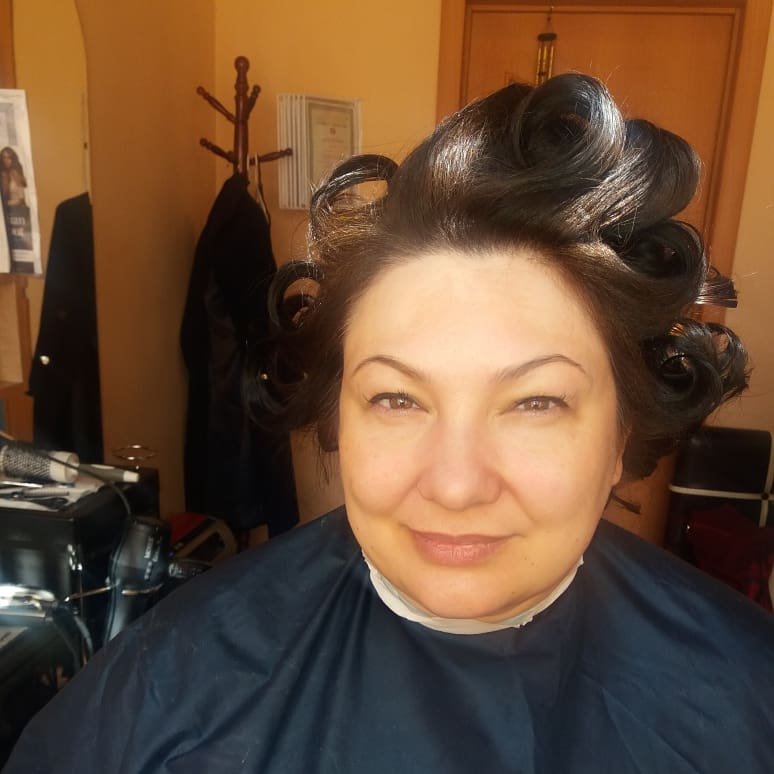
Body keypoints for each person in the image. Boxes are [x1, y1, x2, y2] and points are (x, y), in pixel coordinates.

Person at [5, 73, 773, 773]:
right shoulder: (167, 690)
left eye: (535, 403)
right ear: (339, 416)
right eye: (397, 399)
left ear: (620, 437)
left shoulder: (749, 699)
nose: (455, 484)